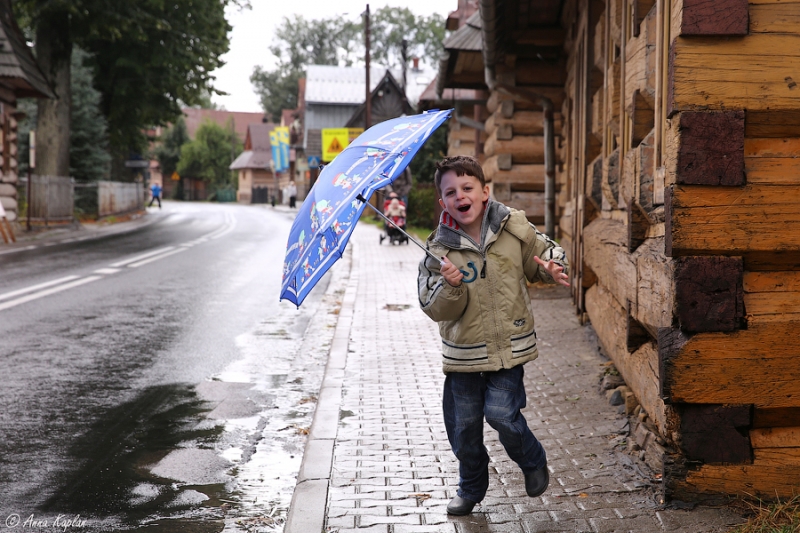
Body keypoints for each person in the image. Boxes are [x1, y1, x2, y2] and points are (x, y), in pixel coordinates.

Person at [417, 155, 569, 516]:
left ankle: (532, 460)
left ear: (484, 192)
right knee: (464, 427)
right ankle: (470, 488)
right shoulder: (438, 250)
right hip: (463, 354)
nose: (460, 196)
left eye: (467, 188)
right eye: (451, 192)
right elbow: (431, 304)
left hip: (507, 349)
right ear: (443, 202)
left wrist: (551, 267)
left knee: (502, 414)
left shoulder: (511, 226)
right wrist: (450, 286)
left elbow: (543, 252)